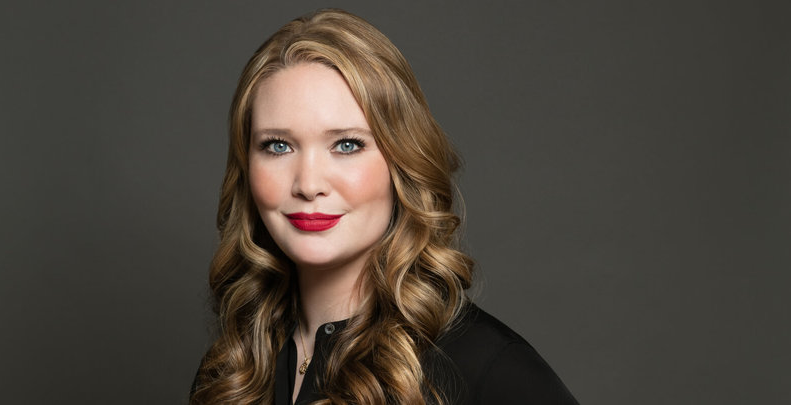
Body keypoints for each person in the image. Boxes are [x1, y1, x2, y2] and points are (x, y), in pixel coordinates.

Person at [190, 8, 578, 405]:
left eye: (346, 145)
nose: (308, 184)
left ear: (401, 160)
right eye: (278, 145)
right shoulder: (230, 372)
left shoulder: (487, 368)